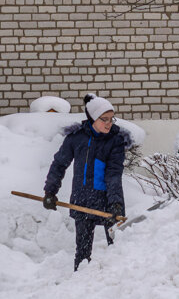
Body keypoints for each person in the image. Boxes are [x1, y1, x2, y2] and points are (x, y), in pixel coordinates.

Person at [43, 94, 131, 271]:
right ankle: (78, 287)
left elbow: (113, 174)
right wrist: (50, 192)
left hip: (109, 202)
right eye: (104, 119)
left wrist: (115, 203)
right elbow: (60, 164)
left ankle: (118, 286)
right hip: (82, 200)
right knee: (82, 255)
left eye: (111, 119)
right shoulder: (76, 138)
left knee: (118, 250)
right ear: (92, 119)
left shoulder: (116, 140)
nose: (109, 123)